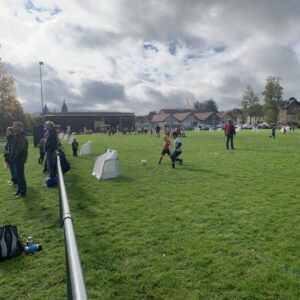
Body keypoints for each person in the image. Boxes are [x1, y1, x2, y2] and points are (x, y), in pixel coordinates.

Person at [10, 121, 28, 197]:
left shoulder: (21, 137)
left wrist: (14, 157)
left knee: (20, 176)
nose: (13, 127)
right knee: (18, 176)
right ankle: (19, 190)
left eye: (14, 126)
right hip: (16, 159)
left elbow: (19, 149)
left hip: (19, 159)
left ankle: (22, 192)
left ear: (19, 127)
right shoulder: (17, 135)